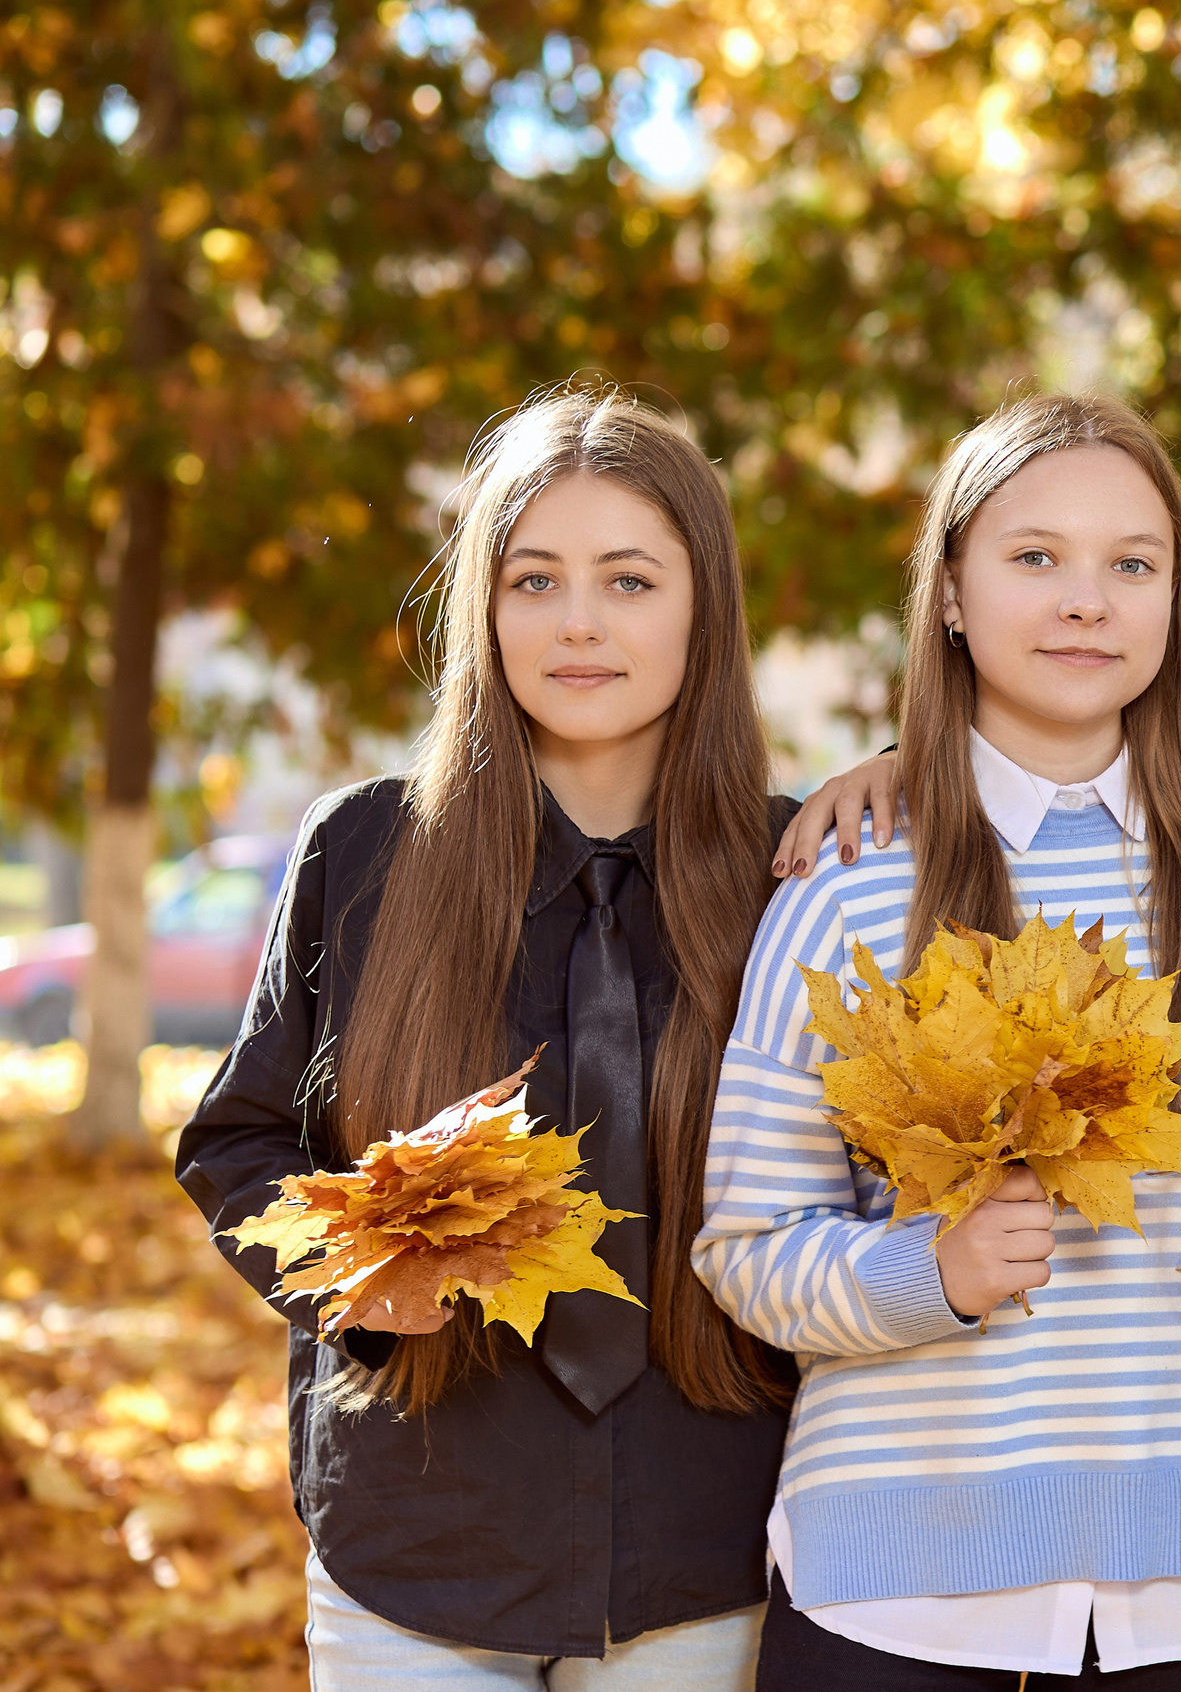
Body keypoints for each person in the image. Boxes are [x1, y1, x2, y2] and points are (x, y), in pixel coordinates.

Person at [694, 392, 1181, 1691]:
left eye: (1131, 563)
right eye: (1034, 556)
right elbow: (747, 1242)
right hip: (900, 1596)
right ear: (949, 591)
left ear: (1175, 600)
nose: (1086, 600)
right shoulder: (849, 880)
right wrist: (927, 1269)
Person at [175, 387, 797, 1687]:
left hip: (706, 1542)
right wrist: (352, 1284)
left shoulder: (800, 873)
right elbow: (235, 1136)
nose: (579, 620)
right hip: (420, 1535)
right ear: (485, 607)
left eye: (630, 579)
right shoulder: (364, 852)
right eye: (534, 578)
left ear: (705, 607)